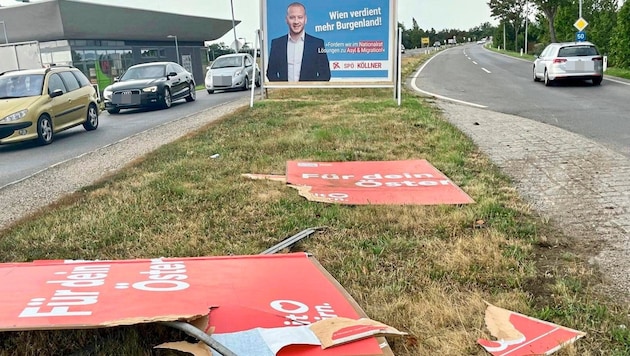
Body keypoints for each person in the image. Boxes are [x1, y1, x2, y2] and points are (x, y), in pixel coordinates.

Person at [267, 2, 331, 82]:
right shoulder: (276, 44)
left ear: (305, 19)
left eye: (300, 17)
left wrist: (311, 91)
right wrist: (282, 90)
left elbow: (325, 74)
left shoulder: (318, 44)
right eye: (292, 17)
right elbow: (270, 73)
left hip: (309, 94)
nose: (296, 21)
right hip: (284, 93)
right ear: (286, 19)